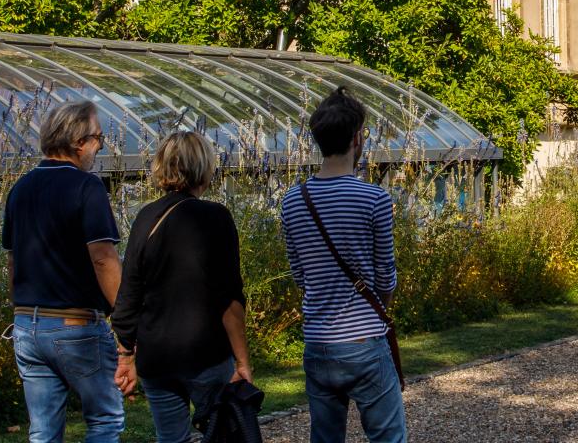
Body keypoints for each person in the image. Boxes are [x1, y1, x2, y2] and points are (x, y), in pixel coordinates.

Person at [279, 89, 406, 443]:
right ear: (356, 138)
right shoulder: (375, 199)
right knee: (388, 437)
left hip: (318, 342)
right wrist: (381, 307)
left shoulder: (292, 201)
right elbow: (386, 277)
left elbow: (300, 275)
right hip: (365, 340)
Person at [112, 131, 253, 443]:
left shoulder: (146, 217)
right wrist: (242, 361)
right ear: (204, 167)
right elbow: (230, 298)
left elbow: (129, 292)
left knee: (171, 439)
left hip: (156, 357)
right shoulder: (215, 217)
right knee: (224, 433)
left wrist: (125, 355)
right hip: (205, 353)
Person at [4, 101, 125, 443]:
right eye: (98, 138)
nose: (100, 147)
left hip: (27, 324)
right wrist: (125, 315)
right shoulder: (87, 187)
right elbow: (103, 258)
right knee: (105, 419)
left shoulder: (20, 189)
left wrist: (23, 307)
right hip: (75, 324)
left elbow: (12, 262)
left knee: (43, 429)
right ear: (78, 142)